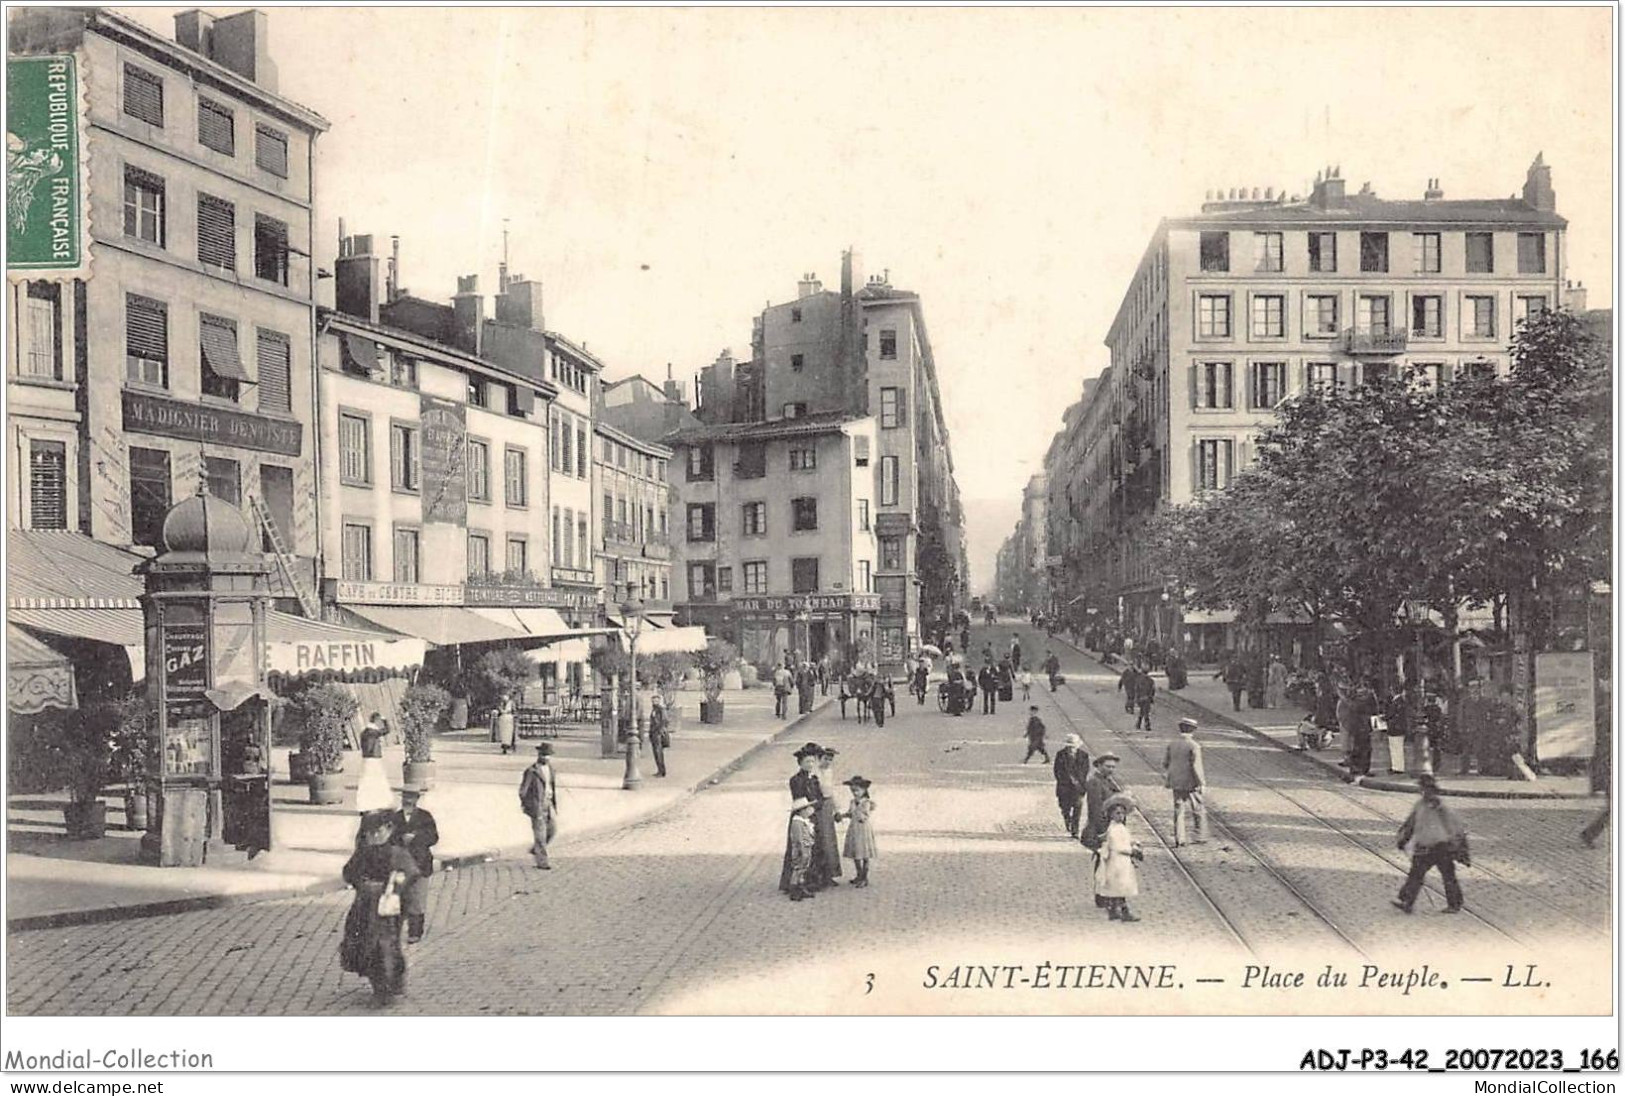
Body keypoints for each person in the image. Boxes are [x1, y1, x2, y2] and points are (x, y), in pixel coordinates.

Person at [340, 811, 419, 1005]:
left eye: (378, 831)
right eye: (369, 832)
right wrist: (362, 883)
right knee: (366, 944)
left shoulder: (396, 851)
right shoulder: (364, 851)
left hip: (390, 907)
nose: (374, 836)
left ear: (389, 829)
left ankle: (389, 985)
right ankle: (381, 984)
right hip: (366, 906)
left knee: (386, 945)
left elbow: (410, 873)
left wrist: (396, 886)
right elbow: (349, 872)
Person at [1393, 774, 1467, 914]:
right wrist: (1404, 838)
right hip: (1424, 846)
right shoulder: (1420, 805)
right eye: (1423, 789)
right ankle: (1407, 902)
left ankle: (1455, 904)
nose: (1425, 792)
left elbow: (1454, 825)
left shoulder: (1441, 807)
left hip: (1441, 846)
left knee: (1448, 875)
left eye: (1428, 789)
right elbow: (1411, 823)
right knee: (1415, 874)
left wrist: (1455, 843)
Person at [388, 783, 439, 943]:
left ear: (417, 799)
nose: (408, 801)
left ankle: (415, 932)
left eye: (411, 797)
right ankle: (394, 932)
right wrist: (400, 839)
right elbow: (388, 839)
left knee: (417, 900)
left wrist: (416, 838)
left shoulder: (425, 817)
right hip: (400, 865)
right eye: (405, 797)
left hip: (420, 864)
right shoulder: (395, 818)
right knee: (398, 898)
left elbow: (433, 837)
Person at [780, 743, 825, 893]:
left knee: (814, 847)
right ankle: (795, 882)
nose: (810, 764)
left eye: (812, 761)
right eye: (807, 762)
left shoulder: (815, 779)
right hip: (801, 815)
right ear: (800, 763)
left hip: (813, 816)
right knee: (799, 848)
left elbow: (820, 797)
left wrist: (816, 806)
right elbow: (799, 797)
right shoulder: (796, 780)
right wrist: (809, 807)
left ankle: (812, 880)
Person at [1095, 793, 1145, 922]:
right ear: (1111, 814)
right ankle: (1123, 911)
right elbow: (1117, 846)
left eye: (1122, 813)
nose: (1120, 816)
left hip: (1121, 862)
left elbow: (1126, 839)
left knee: (1118, 886)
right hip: (1117, 861)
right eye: (1117, 813)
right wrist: (1132, 851)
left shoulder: (1119, 827)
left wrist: (1134, 842)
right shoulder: (1114, 829)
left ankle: (1114, 911)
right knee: (1120, 886)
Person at [1163, 717, 1207, 846]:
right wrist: (1201, 783)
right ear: (1193, 730)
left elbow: (1165, 763)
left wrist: (1174, 773)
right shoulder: (1194, 745)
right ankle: (1199, 835)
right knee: (1198, 808)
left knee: (1178, 809)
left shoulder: (1172, 744)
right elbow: (1196, 766)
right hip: (1191, 782)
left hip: (1176, 781)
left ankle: (1179, 838)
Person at [518, 743, 559, 870]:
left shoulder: (551, 769)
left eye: (548, 755)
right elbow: (522, 791)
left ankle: (536, 849)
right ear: (538, 755)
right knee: (540, 835)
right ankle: (542, 862)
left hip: (548, 803)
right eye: (543, 755)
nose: (546, 758)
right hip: (537, 805)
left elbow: (551, 786)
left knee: (552, 830)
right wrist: (529, 806)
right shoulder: (531, 771)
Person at [838, 775, 878, 887]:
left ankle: (864, 878)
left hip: (863, 829)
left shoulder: (866, 802)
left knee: (864, 853)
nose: (855, 793)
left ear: (864, 790)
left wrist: (858, 813)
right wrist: (842, 816)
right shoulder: (852, 801)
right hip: (854, 829)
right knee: (856, 853)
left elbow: (865, 816)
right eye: (853, 791)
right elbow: (850, 813)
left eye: (857, 791)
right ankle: (859, 874)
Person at [813, 748, 844, 888]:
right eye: (826, 759)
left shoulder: (829, 772)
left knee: (829, 840)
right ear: (819, 758)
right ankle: (817, 875)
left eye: (830, 760)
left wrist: (837, 810)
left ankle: (829, 874)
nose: (828, 762)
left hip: (828, 806)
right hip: (817, 807)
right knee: (819, 840)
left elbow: (831, 792)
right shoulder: (814, 774)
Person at [1053, 733, 1090, 838]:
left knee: (1078, 808)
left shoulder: (1084, 755)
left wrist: (1078, 782)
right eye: (1069, 747)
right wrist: (1065, 781)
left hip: (1078, 788)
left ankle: (1075, 830)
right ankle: (1067, 818)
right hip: (1064, 787)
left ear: (1078, 746)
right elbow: (1057, 771)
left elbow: (1085, 771)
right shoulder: (1060, 754)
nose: (1071, 749)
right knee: (1065, 807)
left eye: (1073, 747)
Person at [357, 713, 393, 814]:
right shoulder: (373, 732)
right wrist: (385, 720)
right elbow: (387, 730)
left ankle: (365, 806)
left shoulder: (364, 732)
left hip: (366, 759)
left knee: (366, 782)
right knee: (377, 781)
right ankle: (378, 804)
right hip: (374, 759)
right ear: (377, 721)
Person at [785, 798, 818, 901]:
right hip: (800, 850)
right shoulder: (797, 823)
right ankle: (794, 890)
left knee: (803, 869)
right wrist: (802, 850)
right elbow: (798, 839)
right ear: (802, 811)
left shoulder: (803, 821)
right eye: (808, 809)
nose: (810, 811)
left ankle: (801, 888)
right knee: (797, 869)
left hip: (806, 848)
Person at [647, 692, 669, 778]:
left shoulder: (661, 710)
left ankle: (662, 771)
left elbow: (664, 721)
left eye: (656, 700)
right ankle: (659, 770)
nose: (654, 702)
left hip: (658, 734)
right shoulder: (654, 710)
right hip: (654, 733)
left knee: (658, 752)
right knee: (656, 753)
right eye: (653, 701)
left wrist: (660, 731)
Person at [1131, 666, 1157, 731]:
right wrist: (1151, 697)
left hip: (1141, 698)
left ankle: (1139, 724)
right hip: (1147, 698)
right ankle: (1146, 725)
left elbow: (1136, 689)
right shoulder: (1151, 680)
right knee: (1146, 712)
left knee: (1142, 711)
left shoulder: (1139, 680)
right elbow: (1153, 690)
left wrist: (1136, 698)